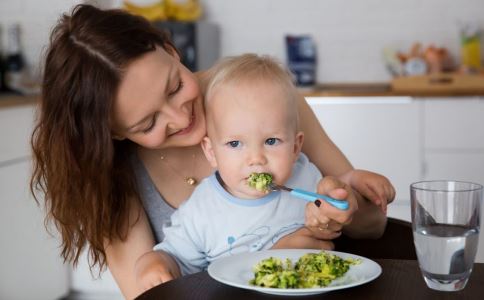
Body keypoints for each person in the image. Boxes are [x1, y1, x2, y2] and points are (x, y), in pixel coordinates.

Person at [30, 4, 394, 299]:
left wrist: (342, 210)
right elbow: (150, 288)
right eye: (147, 123)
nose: (180, 116)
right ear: (114, 134)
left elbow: (374, 226)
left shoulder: (259, 98)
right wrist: (265, 264)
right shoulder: (112, 175)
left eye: (174, 87)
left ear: (171, 50)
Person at [137, 54, 365, 285]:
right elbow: (173, 258)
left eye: (271, 141)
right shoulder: (201, 211)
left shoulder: (308, 178)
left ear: (296, 146)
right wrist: (155, 263)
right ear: (212, 152)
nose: (256, 159)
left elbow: (339, 223)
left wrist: (336, 201)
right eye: (235, 144)